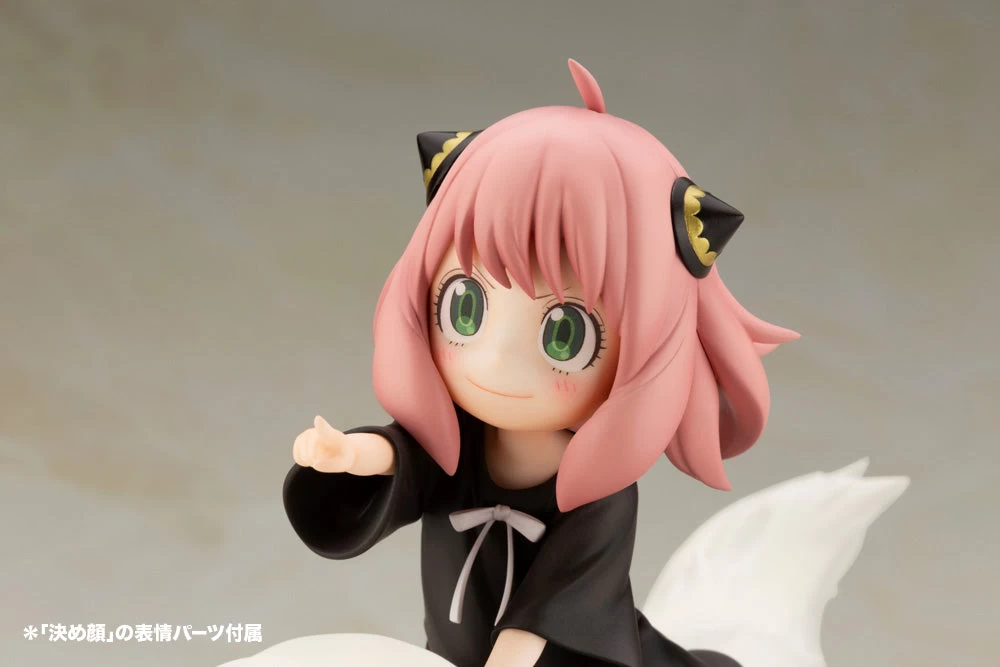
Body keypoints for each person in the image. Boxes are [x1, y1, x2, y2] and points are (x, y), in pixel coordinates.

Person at [283, 59, 798, 667]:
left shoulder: (601, 497)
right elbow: (407, 462)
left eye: (565, 335)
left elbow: (561, 600)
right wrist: (351, 455)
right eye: (465, 308)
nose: (496, 361)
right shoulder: (455, 448)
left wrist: (510, 657)